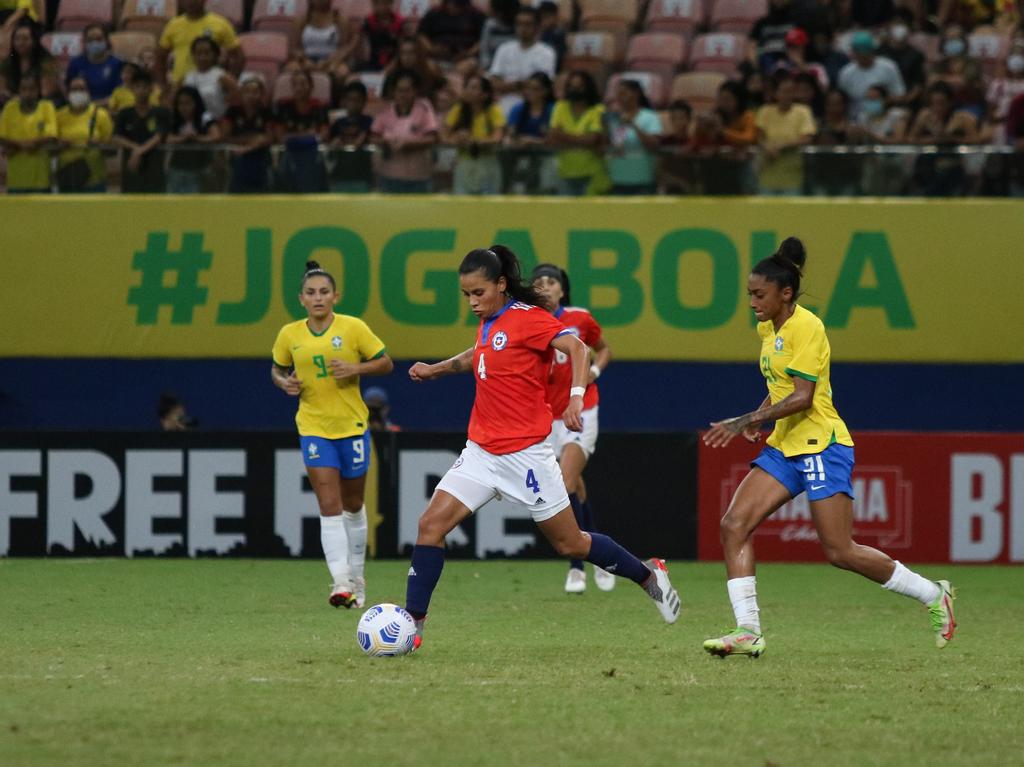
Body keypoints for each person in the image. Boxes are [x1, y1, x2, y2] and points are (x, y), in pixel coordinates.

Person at [404, 245, 680, 650]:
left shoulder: (530, 319)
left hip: (527, 456)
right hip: (481, 453)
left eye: (479, 293)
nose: (472, 302)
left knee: (571, 543)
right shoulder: (490, 321)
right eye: (466, 295)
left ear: (500, 285)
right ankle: (412, 627)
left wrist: (575, 395)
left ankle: (648, 575)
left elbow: (578, 348)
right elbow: (478, 356)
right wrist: (437, 369)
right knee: (430, 526)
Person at [701, 237, 957, 658]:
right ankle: (748, 630)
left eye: (759, 294)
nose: (751, 302)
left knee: (839, 551)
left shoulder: (808, 327)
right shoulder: (770, 327)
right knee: (734, 525)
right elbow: (781, 386)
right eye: (749, 294)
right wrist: (762, 413)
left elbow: (803, 396)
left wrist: (748, 420)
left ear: (785, 294)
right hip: (786, 445)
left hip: (821, 444)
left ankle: (933, 594)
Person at [271, 260, 394, 610]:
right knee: (329, 505)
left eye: (324, 292)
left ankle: (357, 576)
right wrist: (284, 383)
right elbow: (277, 370)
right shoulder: (289, 334)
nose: (318, 298)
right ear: (301, 299)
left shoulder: (353, 328)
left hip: (352, 426)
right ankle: (340, 581)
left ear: (335, 296)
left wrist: (357, 368)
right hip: (313, 427)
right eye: (311, 293)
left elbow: (386, 362)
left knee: (353, 505)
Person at [530, 263, 614, 594]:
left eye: (551, 282)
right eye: (538, 283)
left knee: (564, 480)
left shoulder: (579, 318)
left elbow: (604, 349)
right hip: (546, 417)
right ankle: (602, 556)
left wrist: (593, 371)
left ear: (562, 290)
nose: (545, 287)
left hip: (581, 409)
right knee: (575, 486)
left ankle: (577, 566)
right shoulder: (526, 322)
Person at [371, 69, 439, 193]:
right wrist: (387, 143)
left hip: (418, 177)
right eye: (399, 90)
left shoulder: (424, 108)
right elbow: (373, 137)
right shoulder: (385, 110)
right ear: (394, 92)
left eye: (407, 90)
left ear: (415, 91)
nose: (403, 94)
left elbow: (432, 138)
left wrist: (408, 144)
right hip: (389, 176)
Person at [755, 70, 816, 194]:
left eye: (791, 91)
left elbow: (807, 138)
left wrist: (781, 146)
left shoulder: (803, 111)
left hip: (792, 177)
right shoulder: (765, 111)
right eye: (784, 91)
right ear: (776, 93)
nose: (788, 95)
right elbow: (759, 135)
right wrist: (767, 147)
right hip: (767, 174)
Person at [443, 73, 505, 195]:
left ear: (485, 94)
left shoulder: (493, 110)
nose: (468, 91)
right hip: (464, 162)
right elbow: (444, 136)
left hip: (487, 161)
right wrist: (457, 139)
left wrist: (475, 140)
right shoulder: (458, 109)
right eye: (468, 87)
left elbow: (498, 137)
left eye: (474, 88)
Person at [548, 70, 607, 196]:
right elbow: (552, 137)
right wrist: (582, 142)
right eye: (570, 87)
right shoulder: (560, 107)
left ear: (587, 88)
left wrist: (563, 137)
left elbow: (592, 139)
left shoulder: (598, 110)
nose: (573, 90)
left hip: (591, 173)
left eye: (578, 87)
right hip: (565, 171)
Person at [488, 6, 556, 115]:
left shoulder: (546, 52)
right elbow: (493, 83)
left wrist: (506, 86)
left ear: (537, 27)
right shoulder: (504, 49)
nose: (522, 28)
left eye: (527, 24)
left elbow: (540, 86)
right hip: (502, 106)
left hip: (531, 109)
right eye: (519, 24)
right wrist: (520, 84)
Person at [157, 0, 241, 87]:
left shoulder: (220, 24)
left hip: (211, 86)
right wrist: (163, 86)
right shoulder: (173, 25)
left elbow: (238, 56)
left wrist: (230, 84)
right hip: (181, 87)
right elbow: (159, 58)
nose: (191, 2)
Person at [112, 70, 171, 193]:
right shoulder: (124, 114)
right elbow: (116, 137)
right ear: (132, 89)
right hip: (131, 169)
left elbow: (160, 136)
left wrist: (139, 151)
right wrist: (135, 149)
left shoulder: (161, 113)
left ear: (151, 89)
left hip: (155, 169)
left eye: (145, 86)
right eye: (138, 86)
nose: (141, 90)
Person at [274, 69, 329, 193]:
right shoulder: (283, 107)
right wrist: (309, 135)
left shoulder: (320, 107)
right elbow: (280, 136)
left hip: (312, 158)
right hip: (289, 157)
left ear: (311, 86)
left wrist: (295, 137)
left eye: (303, 84)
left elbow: (324, 135)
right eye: (295, 84)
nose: (299, 88)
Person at [55, 76, 114, 193]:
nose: (78, 93)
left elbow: (112, 149)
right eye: (74, 90)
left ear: (88, 92)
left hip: (95, 181)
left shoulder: (101, 115)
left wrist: (99, 144)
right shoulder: (59, 115)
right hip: (68, 179)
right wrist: (59, 144)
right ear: (67, 93)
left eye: (82, 89)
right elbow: (50, 146)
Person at [0, 72, 55, 193]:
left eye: (32, 89)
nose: (28, 93)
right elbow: (2, 137)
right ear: (18, 91)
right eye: (24, 89)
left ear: (38, 91)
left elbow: (51, 136)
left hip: (41, 181)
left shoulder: (47, 107)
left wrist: (16, 146)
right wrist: (25, 145)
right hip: (16, 181)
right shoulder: (10, 108)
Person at [605, 79, 662, 195]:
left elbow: (654, 145)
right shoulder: (615, 118)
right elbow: (615, 147)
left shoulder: (650, 117)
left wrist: (633, 126)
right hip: (618, 178)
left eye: (623, 93)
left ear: (636, 93)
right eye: (618, 94)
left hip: (642, 178)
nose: (619, 97)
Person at [504, 71, 555, 193]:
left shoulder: (552, 110)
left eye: (535, 89)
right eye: (528, 88)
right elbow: (511, 133)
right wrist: (514, 140)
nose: (530, 92)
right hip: (520, 155)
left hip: (546, 158)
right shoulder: (518, 109)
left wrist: (533, 141)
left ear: (545, 91)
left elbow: (554, 139)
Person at [837, 31, 905, 121]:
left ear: (872, 51)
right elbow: (841, 100)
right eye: (859, 53)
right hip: (856, 119)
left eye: (865, 53)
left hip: (884, 117)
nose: (862, 56)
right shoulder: (846, 73)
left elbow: (900, 95)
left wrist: (880, 102)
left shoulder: (889, 67)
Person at [222, 75, 274, 194]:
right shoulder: (232, 111)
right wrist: (253, 140)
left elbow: (269, 138)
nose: (251, 95)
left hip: (261, 160)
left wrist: (249, 146)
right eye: (247, 91)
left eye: (255, 92)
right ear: (241, 93)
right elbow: (225, 137)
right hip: (237, 159)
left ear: (261, 94)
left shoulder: (266, 112)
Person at [166, 85, 220, 194]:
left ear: (196, 103)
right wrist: (183, 138)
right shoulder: (174, 118)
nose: (184, 107)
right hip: (177, 169)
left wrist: (197, 138)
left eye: (188, 103)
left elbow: (216, 136)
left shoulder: (205, 117)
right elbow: (167, 138)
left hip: (199, 170)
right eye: (180, 104)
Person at [289, 0, 356, 84]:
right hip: (306, 59)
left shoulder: (339, 19)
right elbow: (295, 49)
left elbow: (342, 49)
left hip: (332, 60)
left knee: (341, 71)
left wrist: (328, 62)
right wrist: (305, 60)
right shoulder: (301, 20)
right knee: (292, 68)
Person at [329, 80, 374, 192]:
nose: (353, 103)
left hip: (362, 175)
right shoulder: (338, 123)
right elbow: (329, 145)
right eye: (350, 99)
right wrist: (334, 144)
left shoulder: (369, 122)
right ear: (344, 101)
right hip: (340, 174)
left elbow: (367, 141)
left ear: (364, 102)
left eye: (357, 100)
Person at [877, 9, 926, 109]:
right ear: (889, 26)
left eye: (903, 24)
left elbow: (918, 85)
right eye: (896, 23)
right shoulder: (879, 52)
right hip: (881, 103)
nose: (899, 27)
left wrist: (903, 101)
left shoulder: (916, 55)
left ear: (909, 28)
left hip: (906, 103)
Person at [1, 19, 59, 101]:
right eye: (17, 39)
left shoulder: (46, 61)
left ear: (34, 41)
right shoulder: (8, 61)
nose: (20, 42)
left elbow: (47, 93)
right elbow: (2, 89)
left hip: (42, 103)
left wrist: (20, 99)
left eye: (25, 39)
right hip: (13, 103)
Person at [417, 0, 486, 70]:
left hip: (466, 59)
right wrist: (432, 49)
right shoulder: (434, 13)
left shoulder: (475, 14)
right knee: (428, 65)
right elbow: (422, 35)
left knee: (471, 65)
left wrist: (469, 53)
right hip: (437, 58)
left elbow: (484, 38)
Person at [65, 23, 124, 104]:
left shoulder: (118, 64)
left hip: (110, 107)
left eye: (99, 39)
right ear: (85, 42)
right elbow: (70, 91)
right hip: (82, 108)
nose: (94, 43)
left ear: (106, 41)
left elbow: (121, 93)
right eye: (90, 40)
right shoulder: (75, 63)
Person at [183, 37, 236, 121]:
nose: (202, 57)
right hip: (194, 125)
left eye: (207, 53)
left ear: (215, 55)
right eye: (198, 53)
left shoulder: (223, 77)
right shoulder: (187, 77)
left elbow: (235, 104)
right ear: (193, 55)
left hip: (218, 122)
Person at [354, 0, 404, 71]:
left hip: (395, 65)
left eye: (385, 3)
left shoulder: (400, 22)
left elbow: (402, 49)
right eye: (377, 3)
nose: (382, 7)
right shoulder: (368, 21)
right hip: (372, 64)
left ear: (391, 3)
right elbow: (355, 44)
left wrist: (392, 65)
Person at [478, 0, 519, 72]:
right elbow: (484, 49)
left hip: (513, 66)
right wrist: (486, 67)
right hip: (491, 66)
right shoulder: (490, 24)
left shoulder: (518, 26)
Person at [536, 1, 565, 70]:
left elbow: (557, 56)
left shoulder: (559, 34)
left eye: (547, 17)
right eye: (541, 17)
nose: (544, 20)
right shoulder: (536, 32)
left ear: (556, 17)